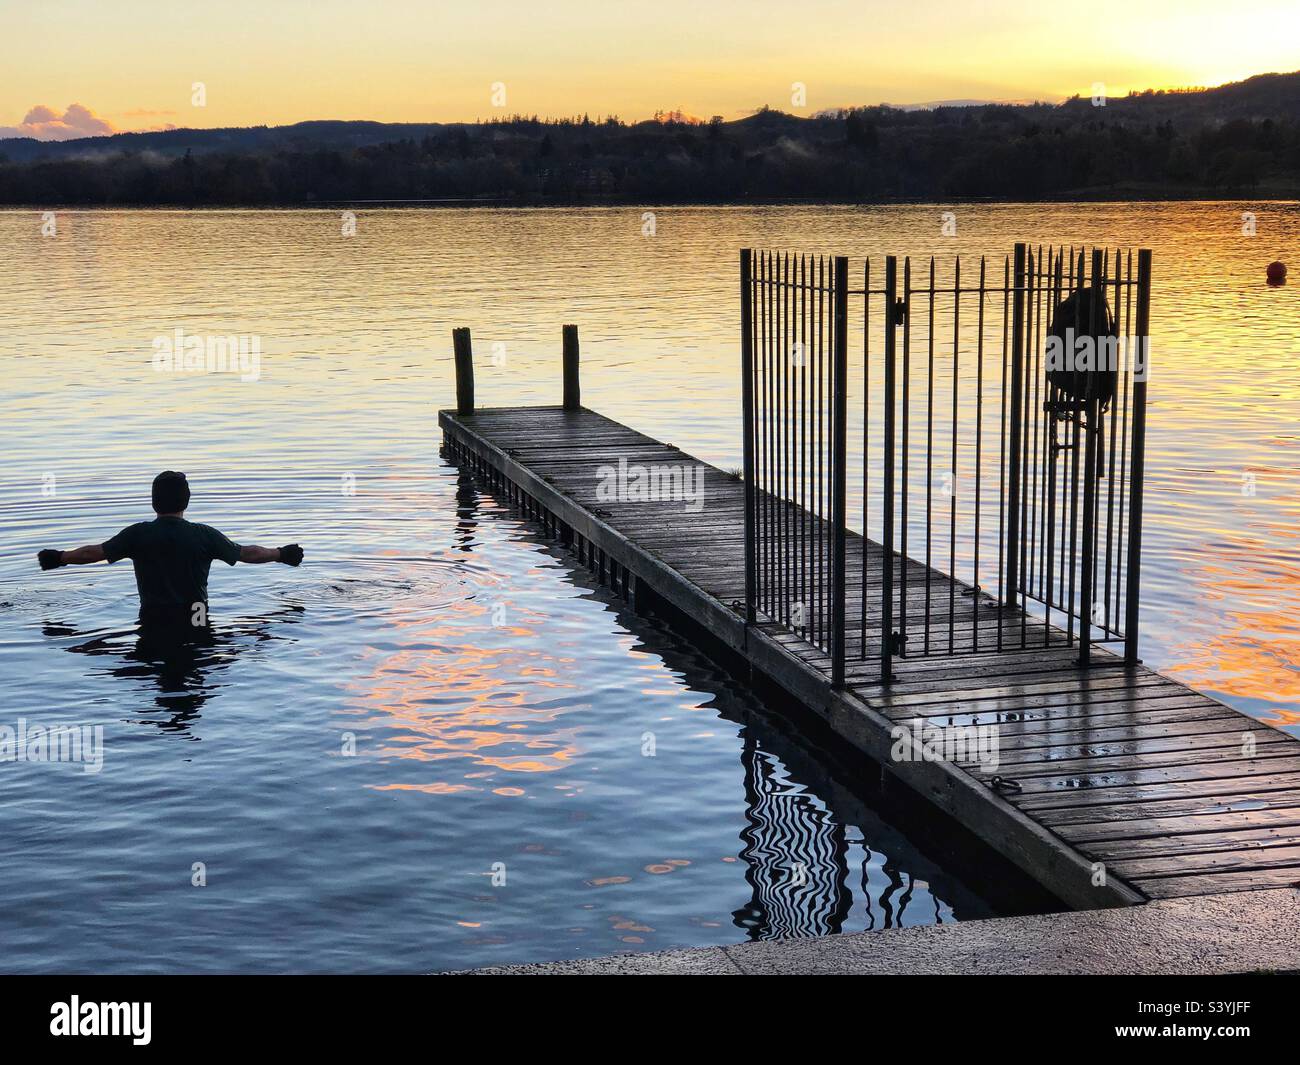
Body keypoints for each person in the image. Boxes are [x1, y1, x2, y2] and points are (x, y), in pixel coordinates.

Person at [36, 470, 303, 631]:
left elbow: (92, 554)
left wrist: (59, 558)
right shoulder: (204, 535)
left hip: (153, 616)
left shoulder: (138, 534)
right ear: (187, 500)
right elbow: (247, 554)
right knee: (199, 642)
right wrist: (281, 554)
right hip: (197, 615)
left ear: (154, 502)